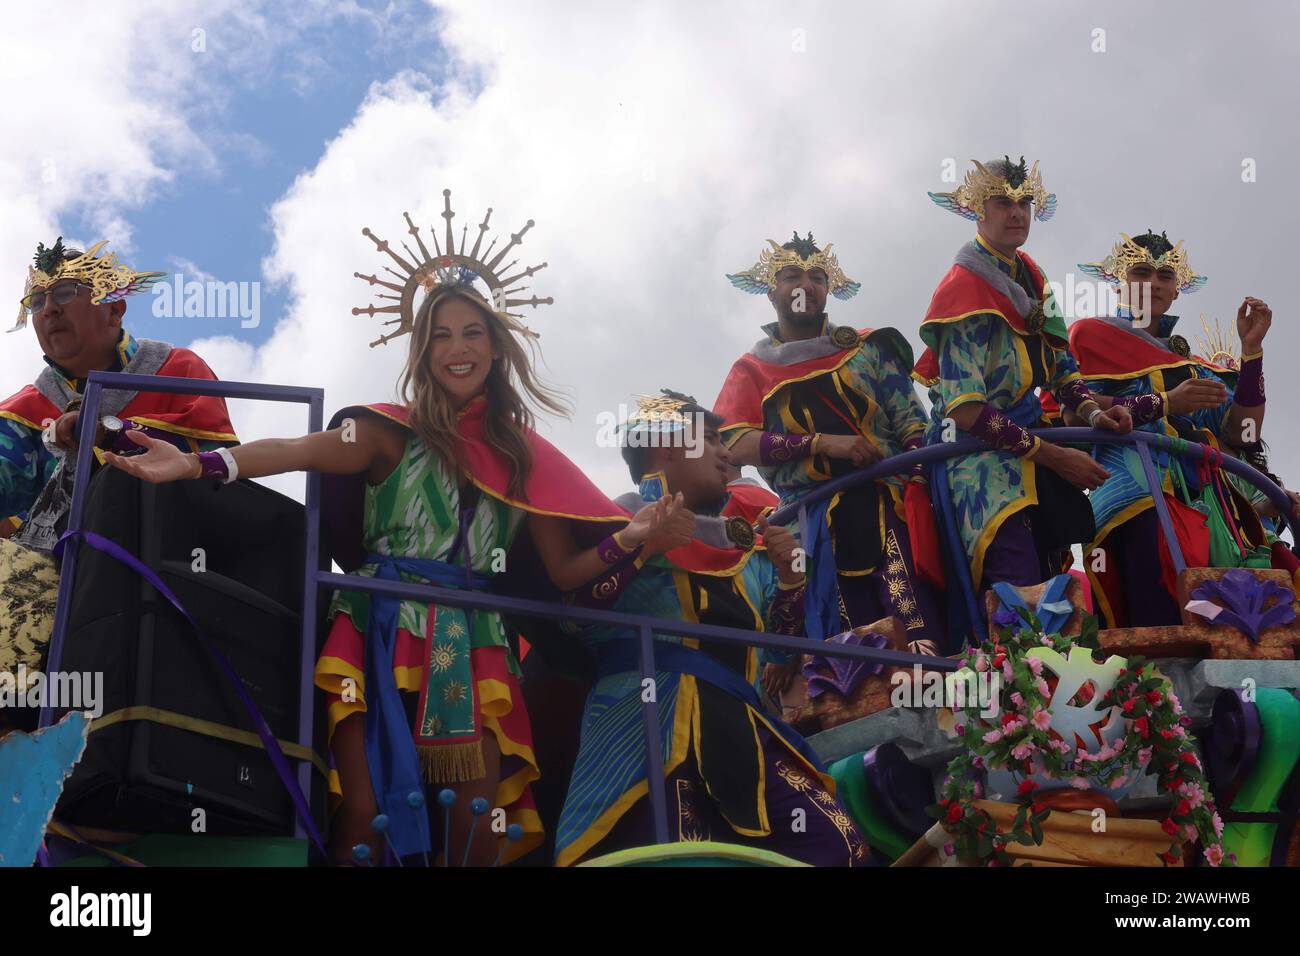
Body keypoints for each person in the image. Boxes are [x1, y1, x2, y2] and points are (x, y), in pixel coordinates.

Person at [106, 276, 684, 866]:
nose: (457, 348)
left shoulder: (522, 457)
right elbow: (293, 449)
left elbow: (564, 572)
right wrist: (195, 464)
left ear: (496, 346)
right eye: (440, 336)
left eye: (471, 333)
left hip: (474, 639)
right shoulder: (386, 431)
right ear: (424, 352)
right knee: (364, 809)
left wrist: (630, 540)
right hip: (376, 628)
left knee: (477, 820)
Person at [554, 391, 868, 866]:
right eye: (709, 439)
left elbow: (781, 657)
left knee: (838, 844)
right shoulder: (610, 523)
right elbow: (571, 615)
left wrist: (789, 580)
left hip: (745, 726)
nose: (727, 453)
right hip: (648, 718)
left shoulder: (746, 546)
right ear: (665, 449)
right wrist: (640, 549)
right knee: (679, 855)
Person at [0, 238, 237, 718]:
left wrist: (108, 436)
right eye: (38, 301)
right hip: (44, 575)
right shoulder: (24, 411)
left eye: (66, 292)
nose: (49, 311)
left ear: (114, 310)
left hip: (156, 562)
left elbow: (214, 473)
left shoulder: (176, 371)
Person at [918, 157, 1131, 643]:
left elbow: (1062, 370)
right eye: (1003, 202)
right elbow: (966, 410)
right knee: (1014, 592)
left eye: (1025, 202)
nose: (1017, 213)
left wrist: (1098, 411)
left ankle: (1057, 704)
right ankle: (1018, 711)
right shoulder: (962, 289)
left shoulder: (1032, 276)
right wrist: (1057, 456)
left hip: (1032, 460)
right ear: (977, 209)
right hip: (981, 469)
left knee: (1053, 587)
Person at [715, 232, 944, 649]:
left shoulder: (868, 348)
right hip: (809, 525)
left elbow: (913, 426)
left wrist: (916, 493)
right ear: (771, 292)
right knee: (844, 653)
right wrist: (821, 444)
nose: (806, 285)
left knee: (916, 632)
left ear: (829, 288)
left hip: (889, 506)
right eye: (791, 276)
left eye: (818, 276)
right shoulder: (751, 369)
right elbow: (733, 443)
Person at [1070, 230, 1285, 625]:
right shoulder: (1091, 335)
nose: (1153, 283)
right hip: (1134, 494)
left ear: (1177, 290)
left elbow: (1242, 432)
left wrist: (1251, 352)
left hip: (1204, 506)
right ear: (1121, 280)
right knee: (1158, 620)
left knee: (1218, 627)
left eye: (1165, 276)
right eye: (1141, 271)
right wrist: (1167, 403)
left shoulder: (1190, 364)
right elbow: (1074, 411)